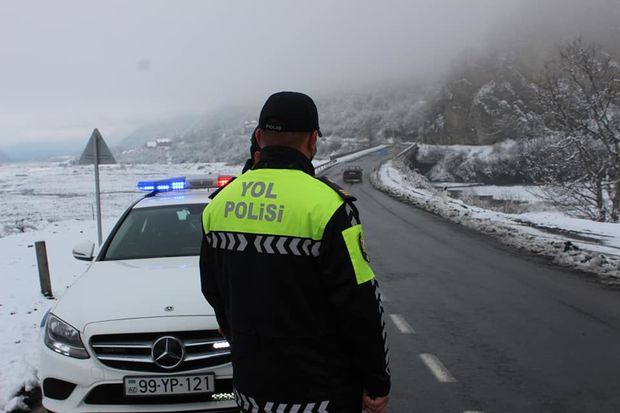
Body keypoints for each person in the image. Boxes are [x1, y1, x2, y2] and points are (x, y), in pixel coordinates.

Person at [200, 91, 390, 413]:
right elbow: (360, 304)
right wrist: (375, 380)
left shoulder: (219, 205)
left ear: (260, 137)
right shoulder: (328, 206)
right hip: (322, 395)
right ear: (313, 140)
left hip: (251, 390)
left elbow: (214, 291)